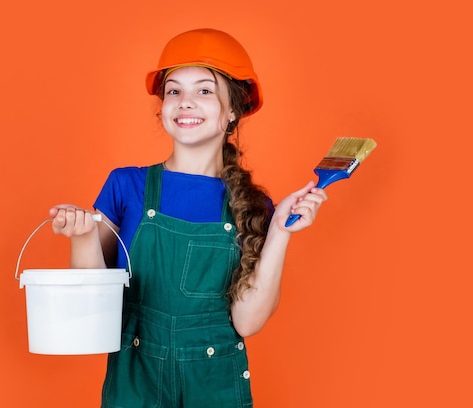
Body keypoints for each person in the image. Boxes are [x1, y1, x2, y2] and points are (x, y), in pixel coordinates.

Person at [48, 28, 327, 408]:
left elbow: (246, 322)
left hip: (214, 388)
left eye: (205, 91)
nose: (185, 102)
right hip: (136, 386)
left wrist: (279, 230)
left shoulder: (253, 205)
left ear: (232, 111)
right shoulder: (126, 185)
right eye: (174, 91)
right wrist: (80, 237)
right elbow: (93, 314)